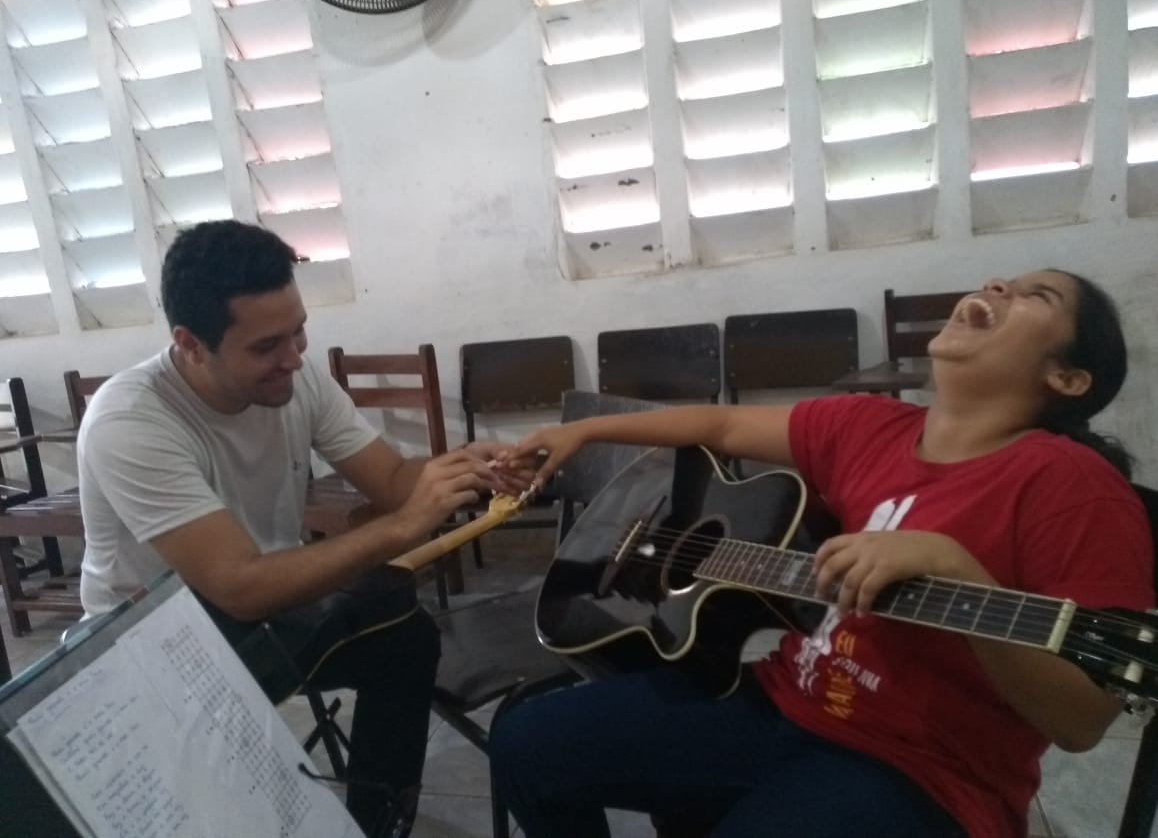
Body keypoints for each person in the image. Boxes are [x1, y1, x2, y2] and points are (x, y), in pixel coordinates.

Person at [490, 270, 1155, 838]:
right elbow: (720, 423)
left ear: (1068, 377)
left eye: (1037, 294)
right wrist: (582, 430)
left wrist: (955, 565)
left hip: (922, 770)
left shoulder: (1073, 486)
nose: (1000, 285)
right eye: (1004, 280)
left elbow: (1082, 719)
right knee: (527, 740)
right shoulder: (866, 425)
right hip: (784, 699)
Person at [77, 219, 526, 837]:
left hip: (261, 617)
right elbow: (239, 586)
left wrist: (466, 470)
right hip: (152, 649)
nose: (293, 358)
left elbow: (393, 479)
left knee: (405, 636)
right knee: (234, 800)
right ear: (191, 344)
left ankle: (376, 822)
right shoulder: (131, 421)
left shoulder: (297, 378)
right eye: (266, 346)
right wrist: (403, 527)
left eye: (299, 332)